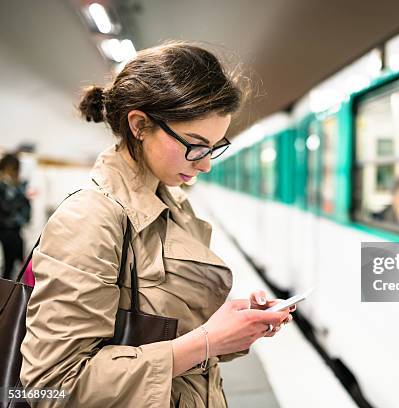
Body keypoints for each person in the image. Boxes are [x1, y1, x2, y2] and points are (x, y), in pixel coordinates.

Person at [20, 42, 293, 407]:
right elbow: (51, 386)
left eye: (214, 147)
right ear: (140, 125)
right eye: (195, 145)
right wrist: (207, 341)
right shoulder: (89, 219)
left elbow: (170, 330)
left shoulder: (171, 203)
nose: (206, 163)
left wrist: (233, 324)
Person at [0, 153, 31, 279]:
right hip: (4, 232)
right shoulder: (6, 188)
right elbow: (6, 208)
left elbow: (26, 216)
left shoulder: (19, 189)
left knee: (12, 271)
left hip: (14, 235)